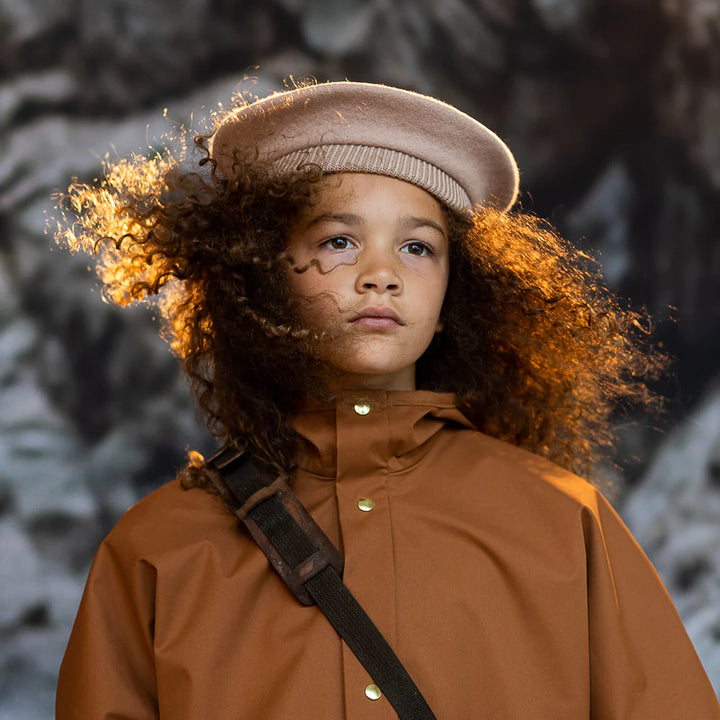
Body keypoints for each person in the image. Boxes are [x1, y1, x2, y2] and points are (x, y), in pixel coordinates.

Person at [54, 81, 720, 719]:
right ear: (261, 275)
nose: (383, 275)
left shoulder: (563, 523)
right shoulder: (156, 552)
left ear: (454, 296)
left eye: (417, 247)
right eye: (338, 241)